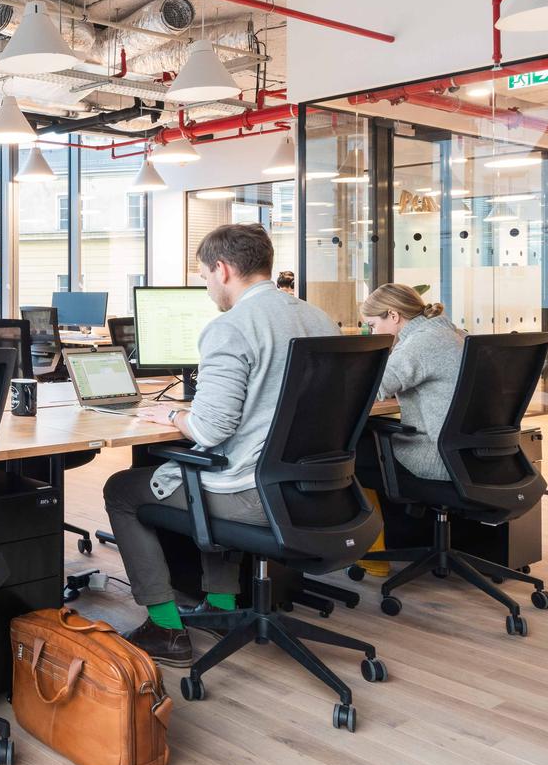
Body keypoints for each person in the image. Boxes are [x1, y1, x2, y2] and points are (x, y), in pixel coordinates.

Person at [101, 224, 338, 668]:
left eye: (205, 276)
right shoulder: (319, 319)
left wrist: (172, 416)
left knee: (123, 490)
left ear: (223, 269)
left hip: (253, 495)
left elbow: (210, 430)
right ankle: (221, 608)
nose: (208, 288)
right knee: (215, 466)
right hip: (314, 489)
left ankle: (166, 628)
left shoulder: (231, 327)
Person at [357, 283, 465, 487]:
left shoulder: (418, 343)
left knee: (353, 454)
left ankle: (401, 507)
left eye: (372, 325)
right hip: (472, 456)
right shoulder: (456, 334)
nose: (373, 333)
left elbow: (370, 389)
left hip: (435, 458)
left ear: (393, 315)